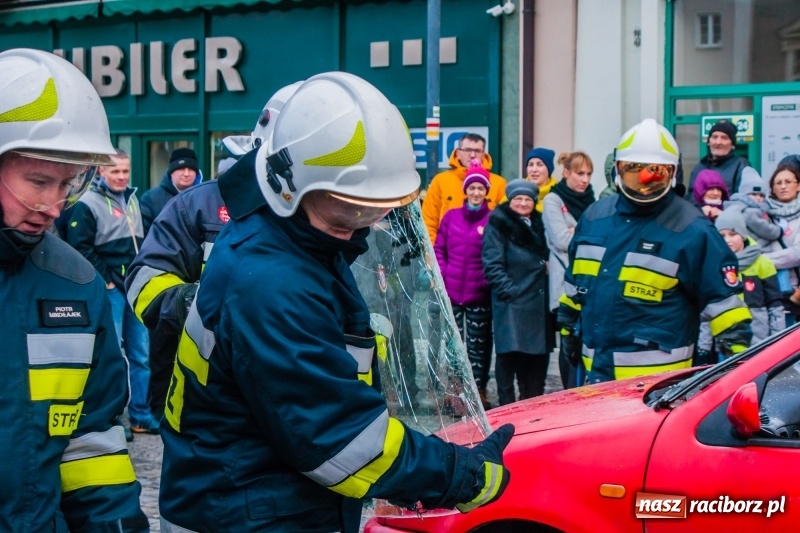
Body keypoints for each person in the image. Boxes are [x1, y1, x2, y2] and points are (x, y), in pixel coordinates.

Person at [157, 72, 513, 533]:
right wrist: (465, 475)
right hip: (246, 512)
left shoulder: (293, 240)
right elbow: (341, 442)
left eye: (373, 210)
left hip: (261, 501)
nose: (358, 226)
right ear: (287, 186)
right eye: (345, 209)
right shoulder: (272, 280)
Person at [0, 47, 148, 532]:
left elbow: (92, 443)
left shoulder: (74, 282)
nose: (54, 205)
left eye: (69, 183)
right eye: (38, 181)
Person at [126, 84, 300, 421]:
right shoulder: (196, 204)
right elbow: (144, 277)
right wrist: (192, 304)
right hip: (198, 370)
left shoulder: (312, 212)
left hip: (284, 384)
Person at [558, 118, 752, 383]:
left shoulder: (691, 230)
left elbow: (727, 309)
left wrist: (738, 374)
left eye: (655, 171)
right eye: (633, 170)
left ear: (672, 173)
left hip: (661, 391)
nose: (644, 181)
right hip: (596, 382)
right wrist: (567, 325)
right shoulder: (594, 218)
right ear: (617, 169)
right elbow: (575, 284)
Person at [64, 150, 159, 434]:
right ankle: (114, 417)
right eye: (115, 171)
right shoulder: (87, 203)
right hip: (111, 290)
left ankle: (141, 415)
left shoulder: (132, 200)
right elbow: (79, 247)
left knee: (141, 354)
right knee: (111, 356)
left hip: (133, 287)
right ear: (101, 172)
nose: (121, 176)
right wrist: (105, 281)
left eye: (125, 171)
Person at [482, 179, 551, 404]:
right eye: (518, 199)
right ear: (510, 200)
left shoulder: (541, 223)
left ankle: (531, 406)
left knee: (533, 361)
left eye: (528, 199)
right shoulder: (499, 224)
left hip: (536, 302)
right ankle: (507, 407)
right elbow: (492, 263)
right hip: (512, 302)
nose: (523, 203)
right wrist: (510, 292)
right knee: (509, 357)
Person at [433, 161, 494, 408]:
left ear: (486, 191)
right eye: (472, 187)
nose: (476, 192)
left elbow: (495, 256)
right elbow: (439, 248)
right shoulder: (451, 217)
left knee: (479, 348)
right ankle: (455, 394)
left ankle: (478, 392)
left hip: (479, 294)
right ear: (465, 190)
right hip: (452, 293)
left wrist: (484, 280)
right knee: (452, 345)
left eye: (481, 188)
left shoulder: (492, 220)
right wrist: (445, 274)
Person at [542, 151, 595, 388]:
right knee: (568, 339)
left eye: (588, 174)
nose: (585, 179)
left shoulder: (591, 201)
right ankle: (567, 391)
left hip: (588, 280)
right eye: (579, 173)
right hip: (564, 280)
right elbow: (562, 240)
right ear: (566, 173)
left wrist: (576, 232)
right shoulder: (554, 200)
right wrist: (583, 234)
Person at [699, 210, 784, 352]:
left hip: (759, 342)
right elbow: (709, 310)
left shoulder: (763, 263)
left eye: (733, 234)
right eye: (722, 235)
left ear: (743, 235)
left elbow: (774, 305)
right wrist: (704, 346)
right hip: (726, 344)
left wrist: (777, 340)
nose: (727, 240)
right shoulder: (713, 265)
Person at [422, 132, 506, 244]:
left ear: (484, 154)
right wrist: (435, 254)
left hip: (485, 253)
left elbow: (506, 224)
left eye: (477, 151)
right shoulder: (441, 181)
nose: (472, 155)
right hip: (447, 254)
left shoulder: (499, 184)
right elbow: (428, 222)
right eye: (467, 150)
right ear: (458, 153)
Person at [763, 162, 800, 325]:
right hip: (767, 291)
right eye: (778, 183)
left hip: (793, 291)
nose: (783, 186)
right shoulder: (761, 215)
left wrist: (762, 260)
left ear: (798, 186)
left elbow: (797, 254)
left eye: (788, 182)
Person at [139, 147, 201, 235]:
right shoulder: (150, 199)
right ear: (171, 171)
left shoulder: (203, 197)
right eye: (181, 169)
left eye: (191, 169)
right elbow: (144, 233)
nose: (186, 174)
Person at [687, 119, 749, 198]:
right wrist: (701, 209)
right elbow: (690, 197)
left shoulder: (741, 165)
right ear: (709, 142)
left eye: (724, 138)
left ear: (732, 145)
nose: (718, 142)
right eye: (714, 137)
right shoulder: (699, 167)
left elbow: (745, 198)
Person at [723, 166, 781, 248]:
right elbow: (768, 231)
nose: (758, 198)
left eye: (761, 195)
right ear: (744, 195)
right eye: (753, 194)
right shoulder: (749, 212)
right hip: (758, 249)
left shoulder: (747, 208)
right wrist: (779, 230)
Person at [523, 147, 557, 211]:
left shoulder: (559, 193)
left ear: (549, 169)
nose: (534, 170)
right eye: (531, 165)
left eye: (540, 165)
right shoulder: (516, 191)